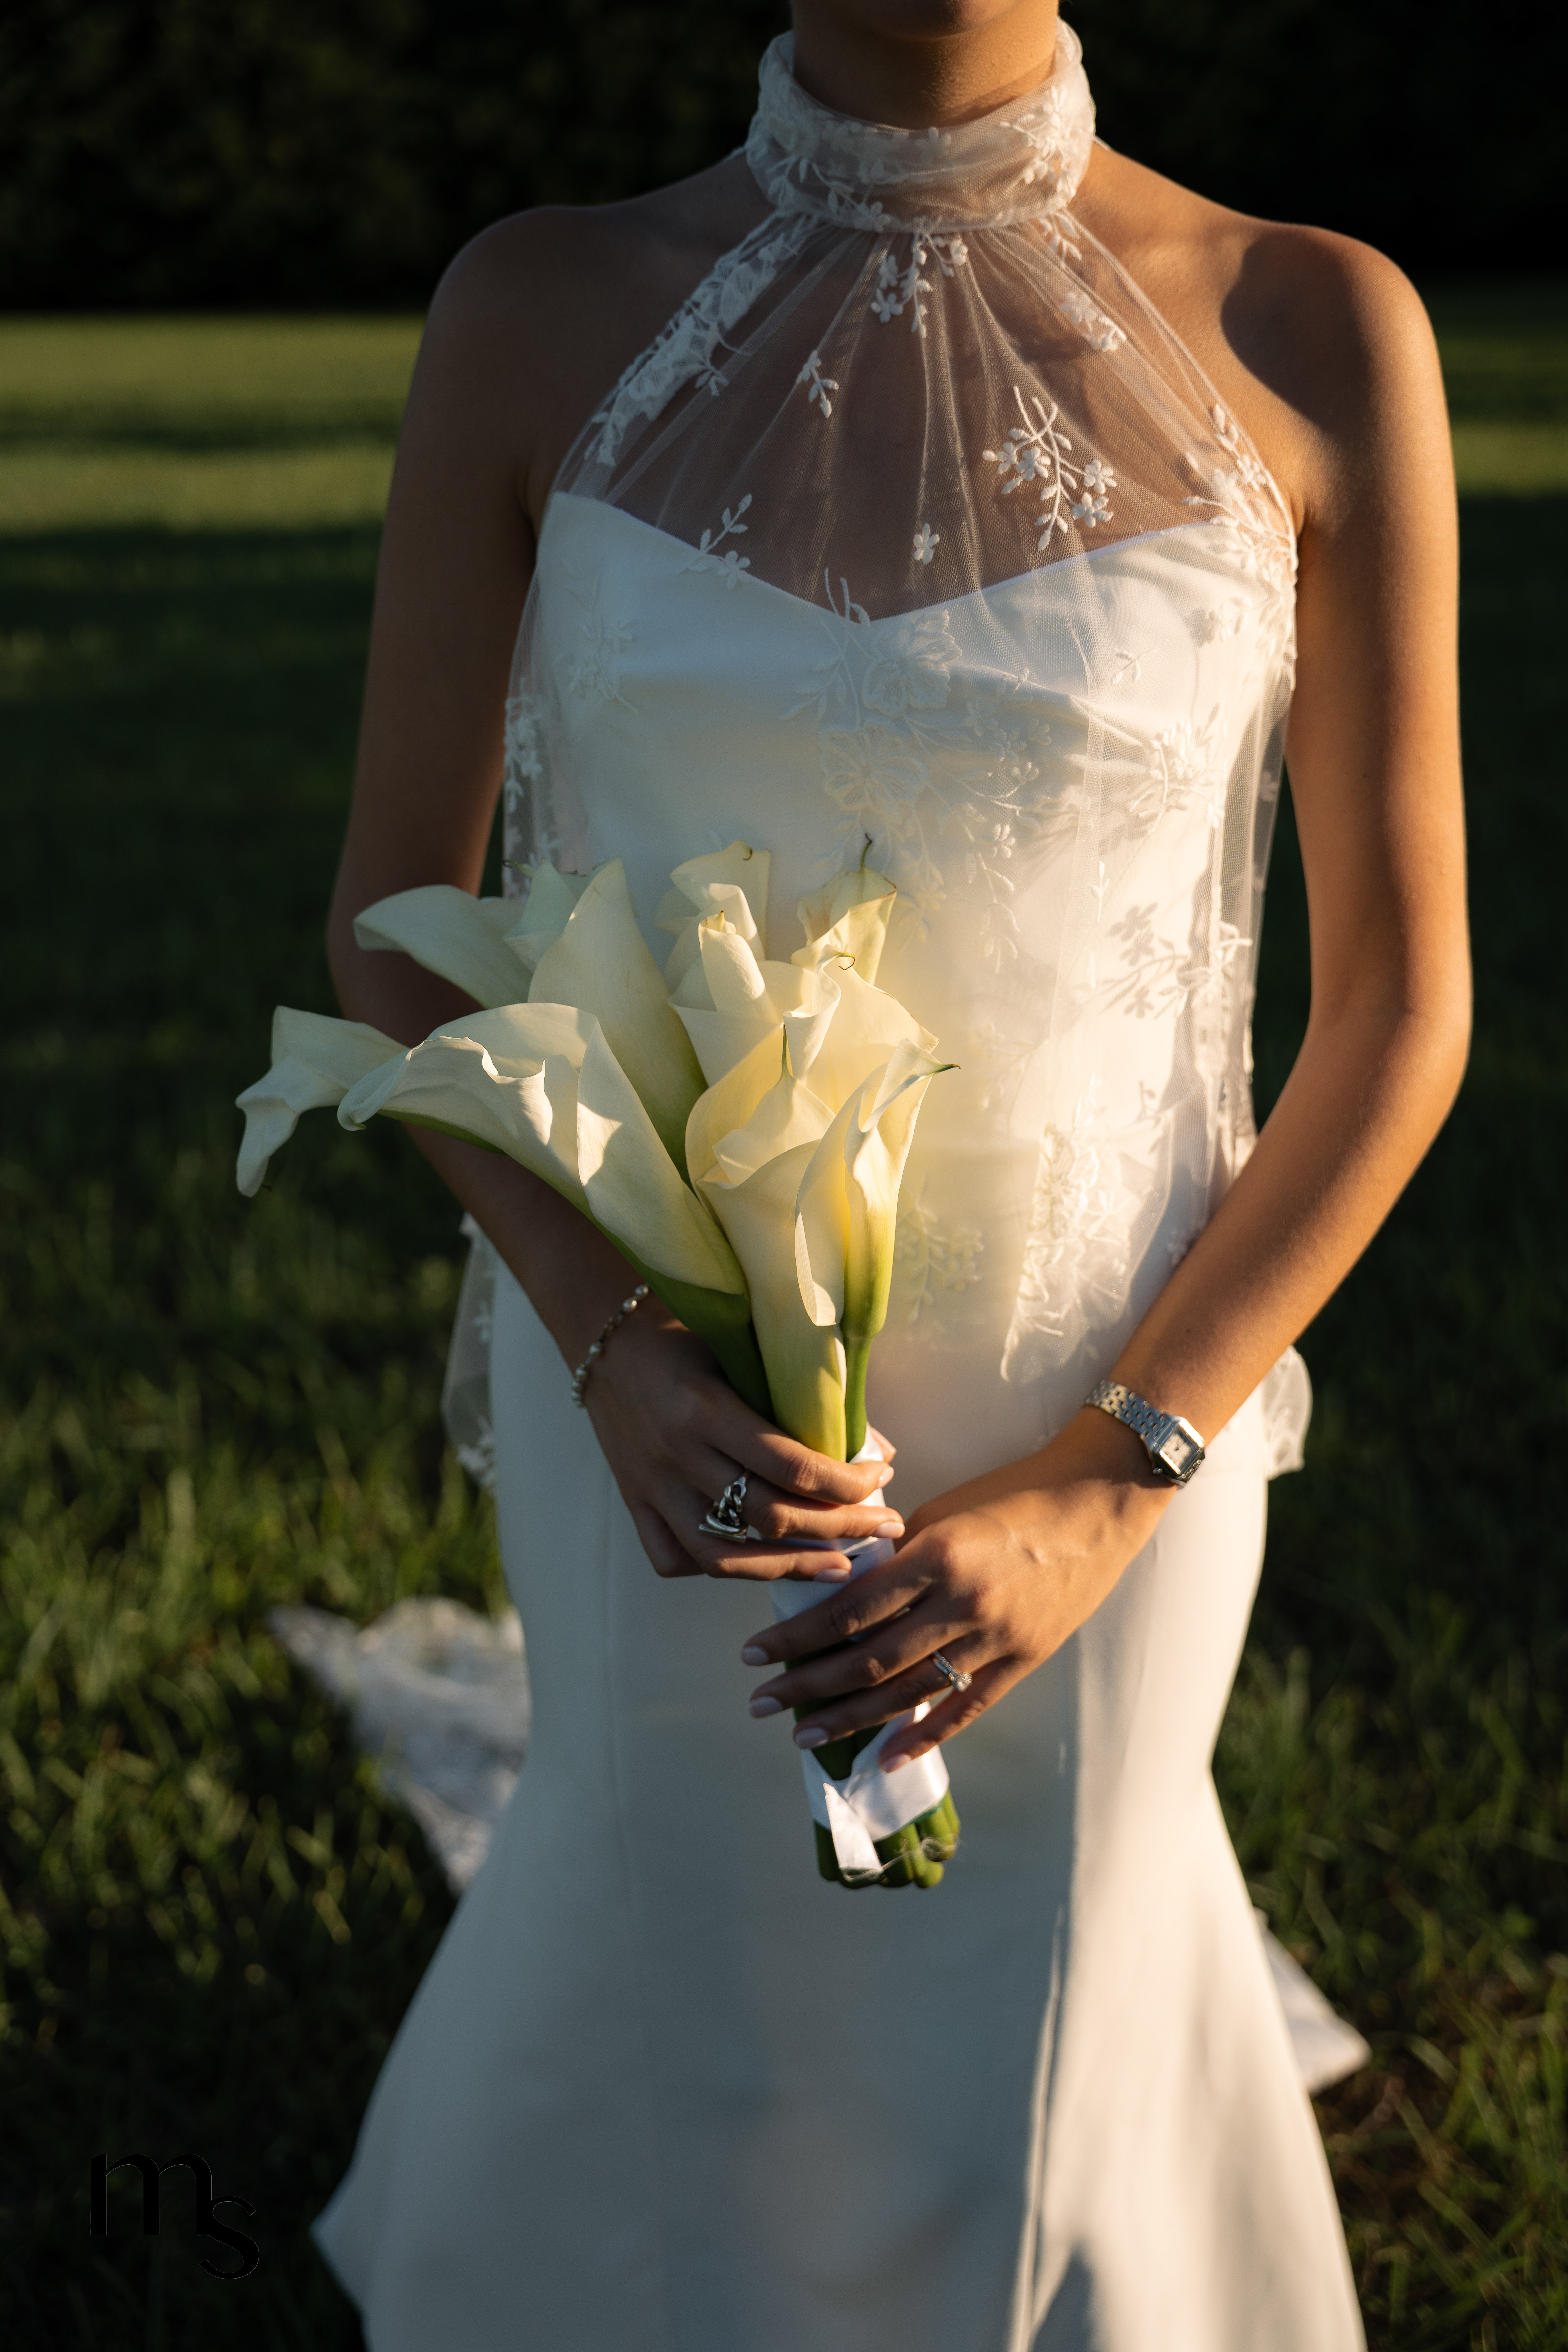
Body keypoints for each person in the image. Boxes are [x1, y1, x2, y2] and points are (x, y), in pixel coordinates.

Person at [311, 3, 1468, 2344]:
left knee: (1038, 1979)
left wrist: (1114, 1474)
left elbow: (1401, 1010)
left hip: (1118, 1410)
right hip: (659, 1399)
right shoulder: (536, 309)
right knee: (686, 1946)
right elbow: (389, 931)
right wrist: (619, 1346)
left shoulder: (1313, 321)